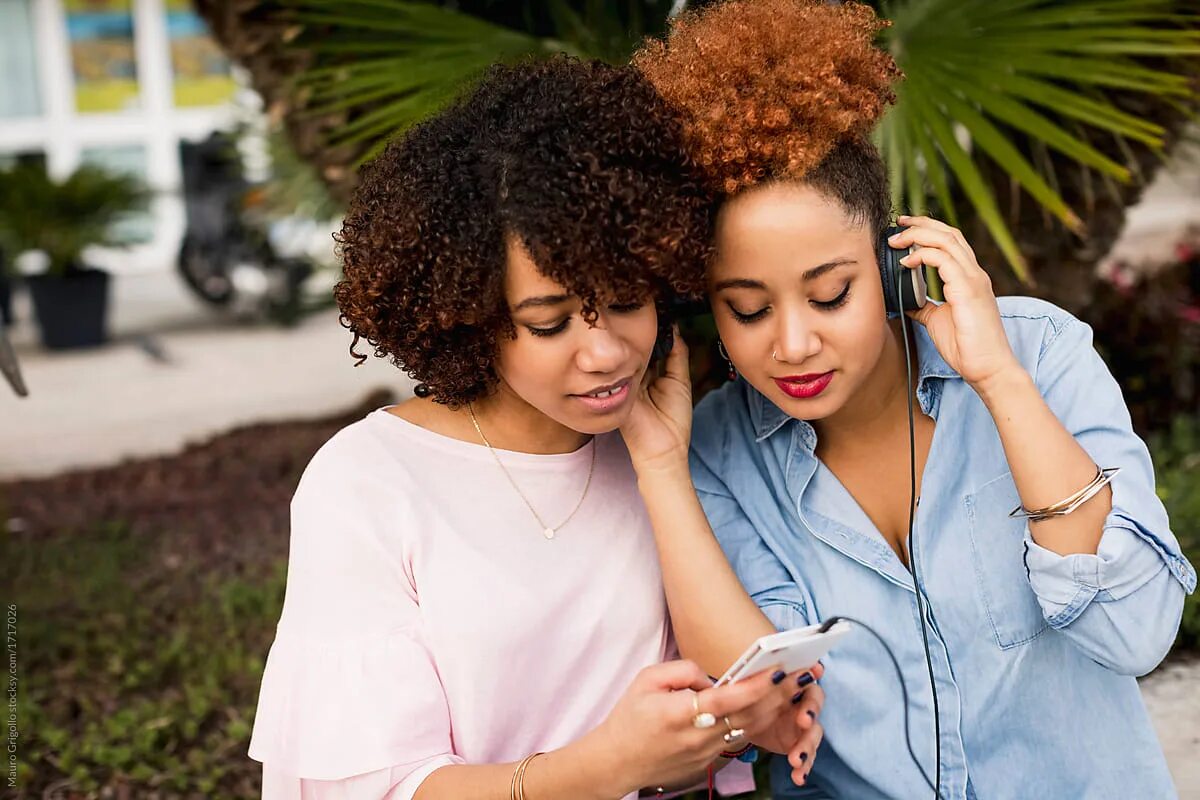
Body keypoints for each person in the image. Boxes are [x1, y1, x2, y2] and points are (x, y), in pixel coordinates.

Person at [625, 1, 1199, 797]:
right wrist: (659, 467)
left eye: (830, 295)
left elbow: (1134, 632)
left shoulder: (1038, 352)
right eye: (748, 309)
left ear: (895, 264)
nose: (791, 344)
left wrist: (999, 382)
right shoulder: (716, 453)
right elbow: (762, 706)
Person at [247, 55, 826, 800]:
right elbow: (374, 789)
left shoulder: (665, 448)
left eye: (626, 300)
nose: (607, 352)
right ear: (471, 318)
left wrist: (659, 467)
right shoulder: (367, 483)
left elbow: (725, 697)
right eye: (549, 324)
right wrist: (606, 769)